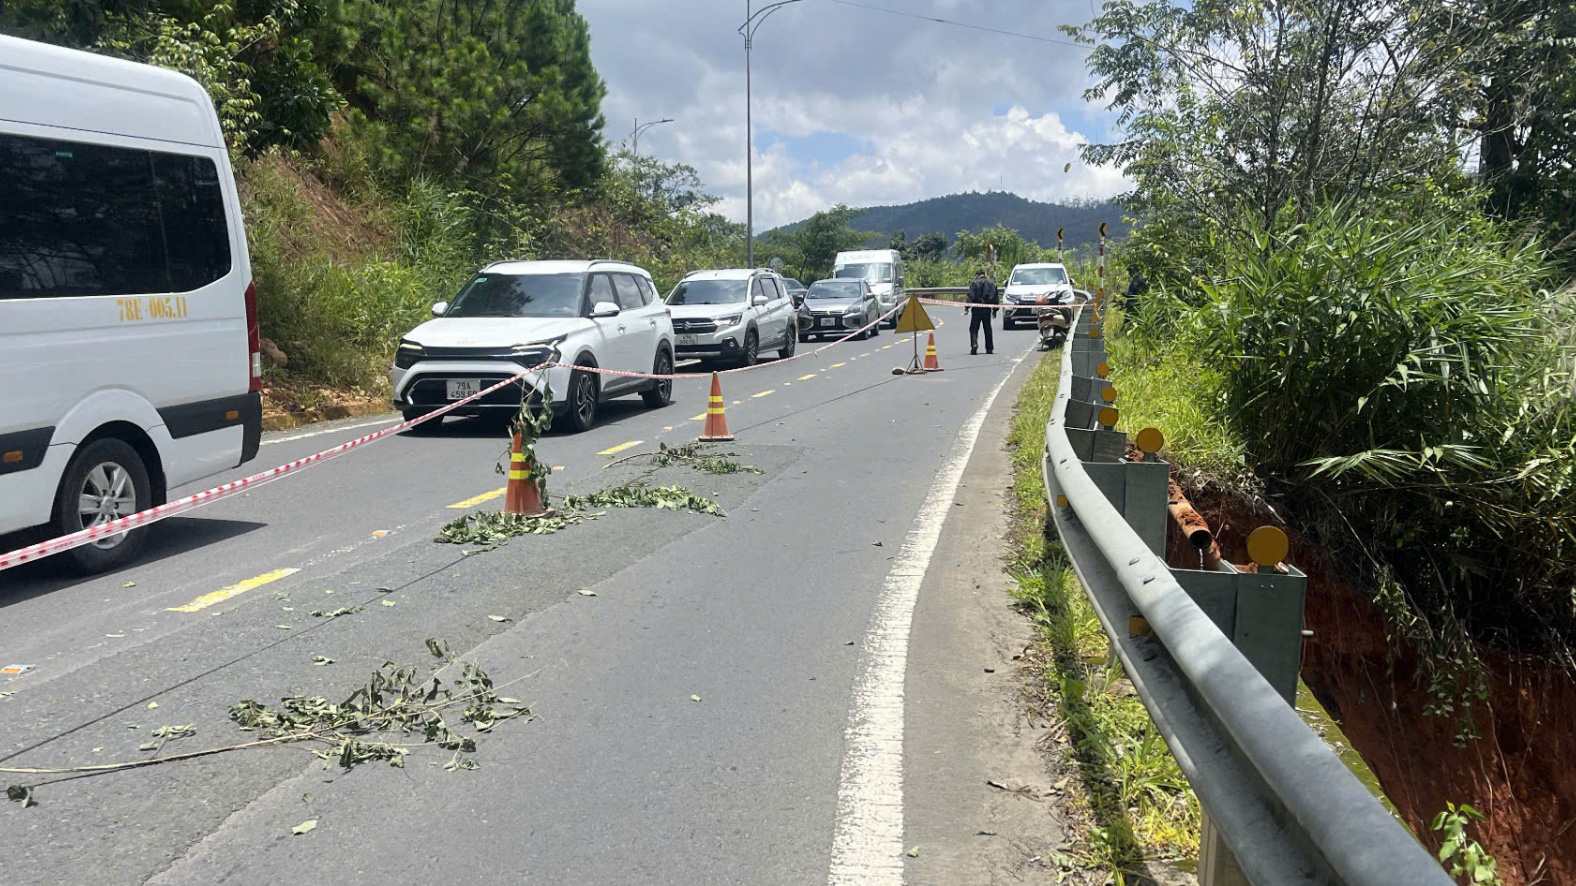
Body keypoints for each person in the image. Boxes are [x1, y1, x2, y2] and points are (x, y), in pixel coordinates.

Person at [966, 268, 999, 355]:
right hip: (987, 309)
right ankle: (989, 348)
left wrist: (967, 307)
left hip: (976, 309)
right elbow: (995, 297)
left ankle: (974, 344)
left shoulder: (974, 283)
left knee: (973, 328)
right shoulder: (991, 283)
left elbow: (970, 296)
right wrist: (995, 310)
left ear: (977, 275)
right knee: (987, 328)